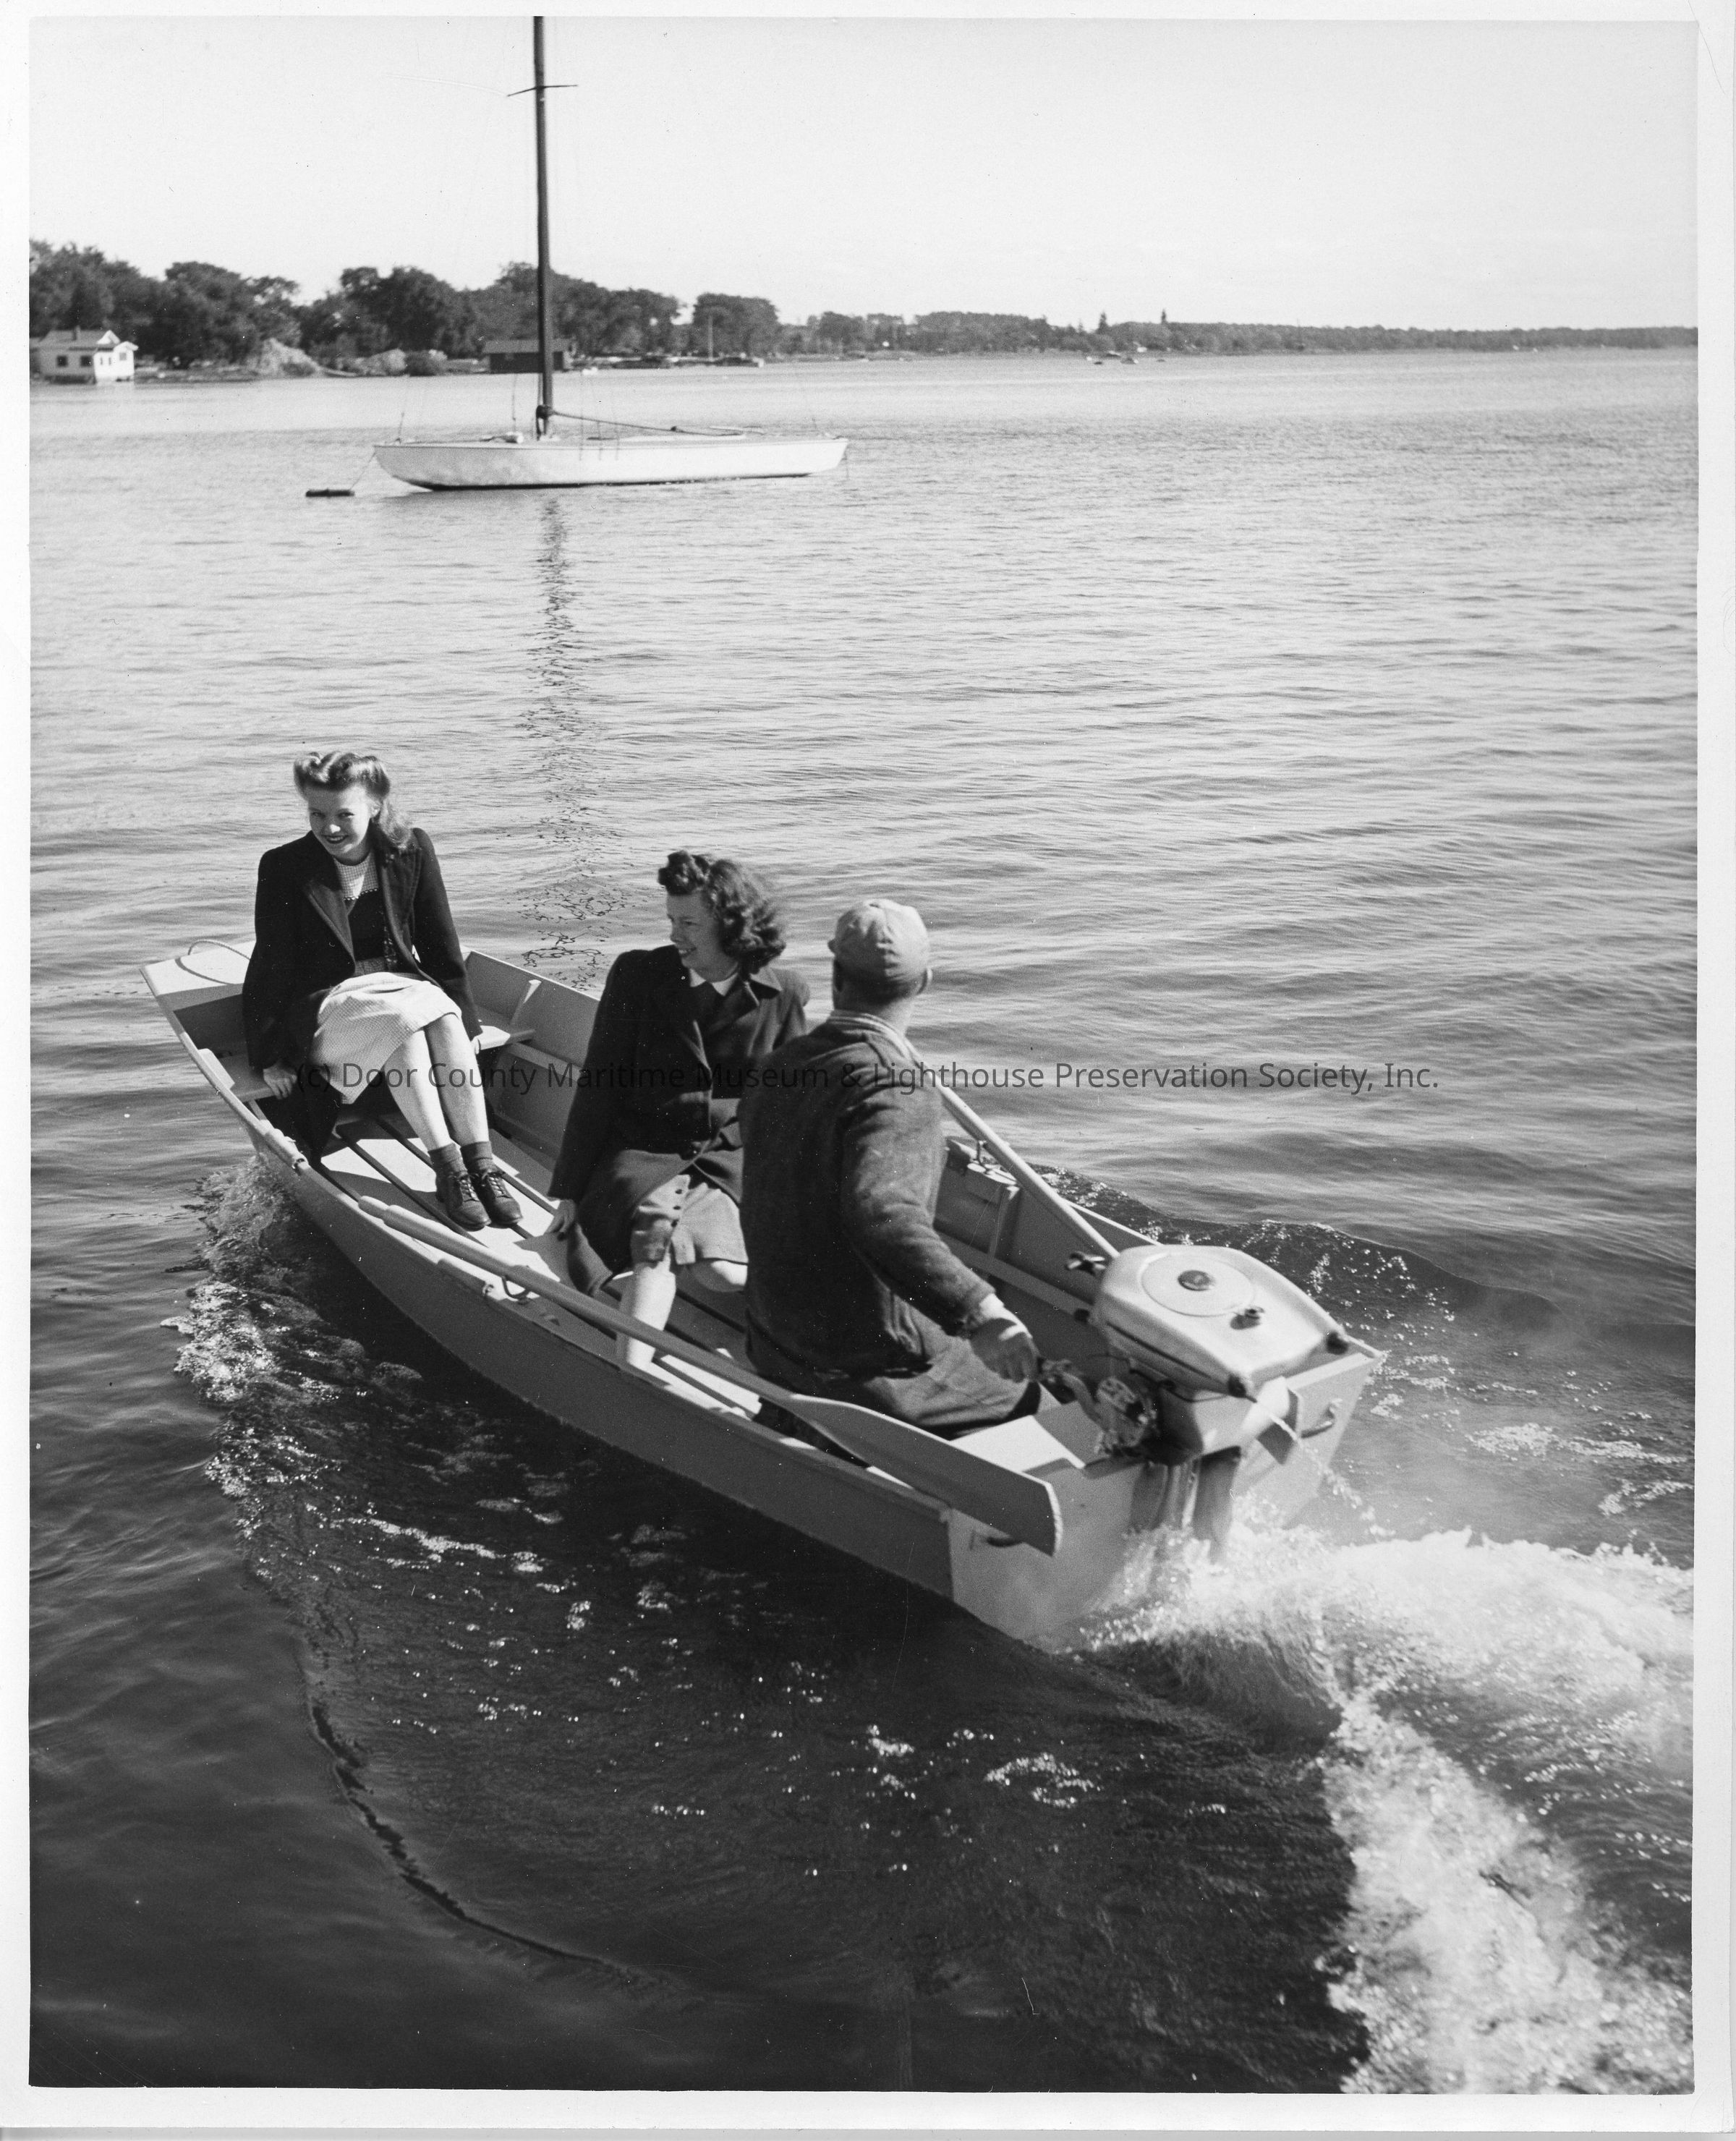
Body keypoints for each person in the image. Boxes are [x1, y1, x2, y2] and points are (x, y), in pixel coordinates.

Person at [738, 898, 1040, 1436]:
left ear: (836, 977)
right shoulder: (897, 1088)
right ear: (924, 982)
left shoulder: (778, 1066)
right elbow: (883, 1214)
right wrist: (981, 1312)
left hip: (774, 1337)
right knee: (1035, 1399)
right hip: (862, 1364)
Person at [548, 851, 808, 1375]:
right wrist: (570, 1190)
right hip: (644, 1149)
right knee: (657, 1239)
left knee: (724, 1276)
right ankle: (632, 1375)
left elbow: (787, 1111)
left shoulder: (785, 995)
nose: (675, 935)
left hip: (727, 1155)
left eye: (689, 924)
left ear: (732, 927)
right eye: (671, 920)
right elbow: (599, 1085)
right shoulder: (637, 975)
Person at [242, 749, 521, 1234]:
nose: (329, 828)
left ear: (374, 806)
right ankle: (449, 1168)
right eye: (316, 814)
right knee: (403, 1023)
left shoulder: (411, 849)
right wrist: (270, 1056)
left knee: (443, 1015)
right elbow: (271, 964)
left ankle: (482, 1165)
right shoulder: (284, 866)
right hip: (330, 1003)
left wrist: (468, 1023)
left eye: (343, 814)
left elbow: (439, 941)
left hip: (401, 989)